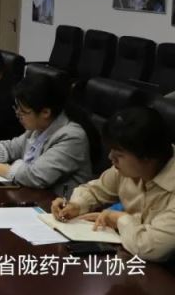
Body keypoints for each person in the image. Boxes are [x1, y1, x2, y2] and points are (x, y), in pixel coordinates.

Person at [51, 106, 175, 262]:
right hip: (131, 258)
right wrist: (76, 205)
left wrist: (119, 219)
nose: (110, 157)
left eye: (119, 154)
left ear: (147, 157)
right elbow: (94, 190)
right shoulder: (128, 169)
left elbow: (148, 247)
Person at [0, 75, 92, 194]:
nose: (18, 115)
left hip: (56, 207)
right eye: (17, 109)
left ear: (45, 112)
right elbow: (11, 148)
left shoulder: (72, 137)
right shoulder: (39, 127)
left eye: (23, 111)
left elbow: (36, 176)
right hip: (30, 195)